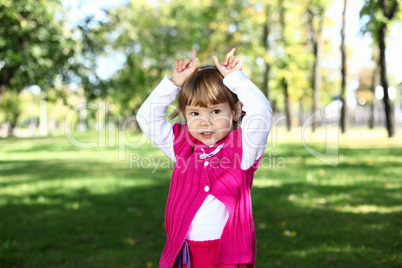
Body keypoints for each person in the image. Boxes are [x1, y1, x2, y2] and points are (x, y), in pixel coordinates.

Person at [136, 48, 272, 268]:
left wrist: (235, 78)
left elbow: (261, 112)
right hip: (186, 253)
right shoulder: (182, 146)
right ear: (185, 114)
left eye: (216, 112)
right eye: (195, 113)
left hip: (227, 255)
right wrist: (175, 83)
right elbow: (146, 117)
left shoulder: (243, 148)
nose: (204, 122)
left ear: (236, 111)